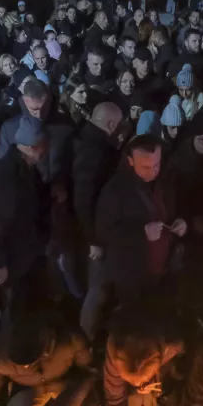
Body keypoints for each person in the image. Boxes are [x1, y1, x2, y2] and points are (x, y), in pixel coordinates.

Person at [95, 135, 186, 306]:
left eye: (156, 165)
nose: (152, 172)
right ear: (130, 160)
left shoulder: (165, 181)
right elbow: (104, 233)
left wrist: (181, 222)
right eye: (145, 167)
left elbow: (175, 208)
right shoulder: (115, 191)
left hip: (164, 271)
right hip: (132, 276)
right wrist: (141, 233)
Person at [0, 116, 50, 316]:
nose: (46, 149)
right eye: (42, 145)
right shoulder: (6, 176)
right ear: (30, 147)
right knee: (15, 313)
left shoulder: (24, 169)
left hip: (25, 254)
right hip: (13, 261)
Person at [75, 103, 127, 338]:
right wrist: (93, 239)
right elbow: (85, 199)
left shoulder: (88, 142)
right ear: (111, 125)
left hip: (97, 230)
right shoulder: (95, 152)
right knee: (97, 288)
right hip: (97, 234)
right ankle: (87, 337)